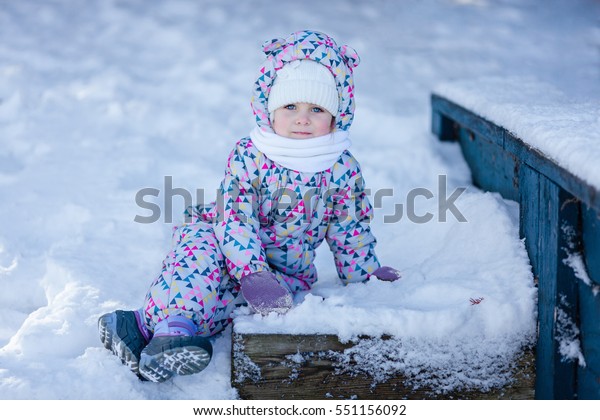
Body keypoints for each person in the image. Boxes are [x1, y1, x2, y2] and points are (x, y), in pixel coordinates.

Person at [98, 29, 400, 383]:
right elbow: (235, 217)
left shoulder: (341, 169)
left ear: (336, 116)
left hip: (283, 272)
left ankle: (139, 328)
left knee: (225, 297)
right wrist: (252, 273)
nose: (302, 118)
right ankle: (172, 329)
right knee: (198, 259)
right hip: (223, 237)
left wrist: (365, 276)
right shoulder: (250, 154)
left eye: (316, 109)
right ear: (269, 109)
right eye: (290, 106)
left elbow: (351, 229)